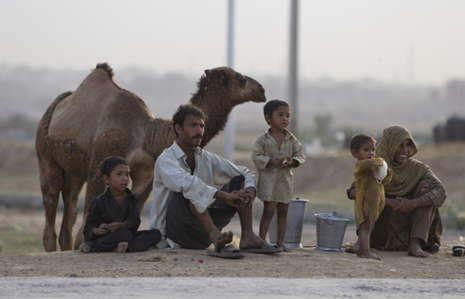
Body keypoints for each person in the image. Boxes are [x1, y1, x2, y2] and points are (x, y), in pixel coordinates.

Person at [149, 104, 282, 258]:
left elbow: (245, 171)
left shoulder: (205, 158)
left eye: (201, 126)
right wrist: (224, 196)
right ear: (179, 129)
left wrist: (250, 189)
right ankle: (216, 237)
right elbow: (186, 183)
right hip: (174, 234)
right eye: (193, 126)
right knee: (192, 188)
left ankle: (248, 236)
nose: (199, 131)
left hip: (200, 231)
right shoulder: (166, 160)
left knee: (240, 180)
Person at [347, 125, 447, 258]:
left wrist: (412, 204)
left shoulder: (418, 168)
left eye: (408, 145)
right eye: (399, 145)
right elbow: (353, 192)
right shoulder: (377, 165)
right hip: (382, 233)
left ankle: (415, 244)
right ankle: (362, 242)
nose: (404, 150)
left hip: (412, 229)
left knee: (427, 186)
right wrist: (387, 201)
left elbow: (441, 191)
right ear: (389, 145)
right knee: (364, 192)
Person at [251, 99, 306, 252]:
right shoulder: (262, 140)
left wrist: (292, 162)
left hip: (285, 181)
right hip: (268, 181)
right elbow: (255, 156)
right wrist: (269, 160)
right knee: (268, 210)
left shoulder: (292, 139)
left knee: (283, 211)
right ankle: (262, 241)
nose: (285, 119)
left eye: (287, 116)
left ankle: (280, 241)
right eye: (280, 115)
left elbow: (300, 155)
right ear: (268, 118)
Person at [79, 156, 161, 253]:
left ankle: (121, 248)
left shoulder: (132, 198)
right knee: (124, 235)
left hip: (126, 233)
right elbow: (88, 226)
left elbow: (135, 220)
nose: (125, 179)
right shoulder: (100, 201)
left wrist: (122, 224)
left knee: (156, 234)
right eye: (119, 174)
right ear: (106, 179)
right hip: (106, 236)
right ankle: (95, 246)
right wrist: (96, 230)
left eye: (127, 174)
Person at [348, 133, 392, 260]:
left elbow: (386, 178)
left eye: (373, 150)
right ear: (355, 153)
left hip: (374, 200)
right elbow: (371, 164)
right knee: (365, 226)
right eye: (366, 150)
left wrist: (385, 170)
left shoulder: (374, 167)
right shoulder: (361, 165)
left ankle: (364, 249)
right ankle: (364, 251)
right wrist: (381, 162)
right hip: (365, 199)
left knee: (370, 225)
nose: (371, 153)